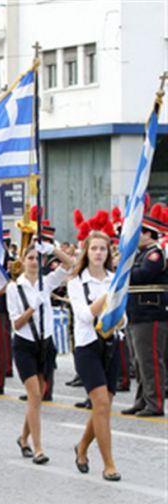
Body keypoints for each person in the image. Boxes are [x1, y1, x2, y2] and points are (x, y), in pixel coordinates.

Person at [6, 241, 73, 464]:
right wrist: (32, 308)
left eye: (37, 258)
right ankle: (38, 448)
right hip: (25, 344)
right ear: (23, 261)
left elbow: (70, 264)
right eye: (30, 258)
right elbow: (16, 323)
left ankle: (23, 438)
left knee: (39, 396)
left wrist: (53, 250)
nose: (34, 262)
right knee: (34, 395)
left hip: (45, 344)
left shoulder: (47, 282)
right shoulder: (14, 288)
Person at [67, 230, 122, 480]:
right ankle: (109, 463)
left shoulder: (115, 279)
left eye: (103, 248)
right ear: (86, 252)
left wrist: (118, 312)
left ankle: (81, 447)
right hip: (87, 346)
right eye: (94, 248)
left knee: (104, 405)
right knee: (100, 403)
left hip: (112, 344)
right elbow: (85, 316)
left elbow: (124, 318)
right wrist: (107, 297)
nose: (99, 253)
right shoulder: (77, 282)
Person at [121, 204, 168, 417]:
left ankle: (155, 403)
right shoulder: (140, 254)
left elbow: (143, 275)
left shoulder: (154, 254)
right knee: (138, 361)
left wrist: (124, 267)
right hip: (136, 314)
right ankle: (141, 399)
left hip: (151, 315)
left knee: (150, 361)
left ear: (148, 234)